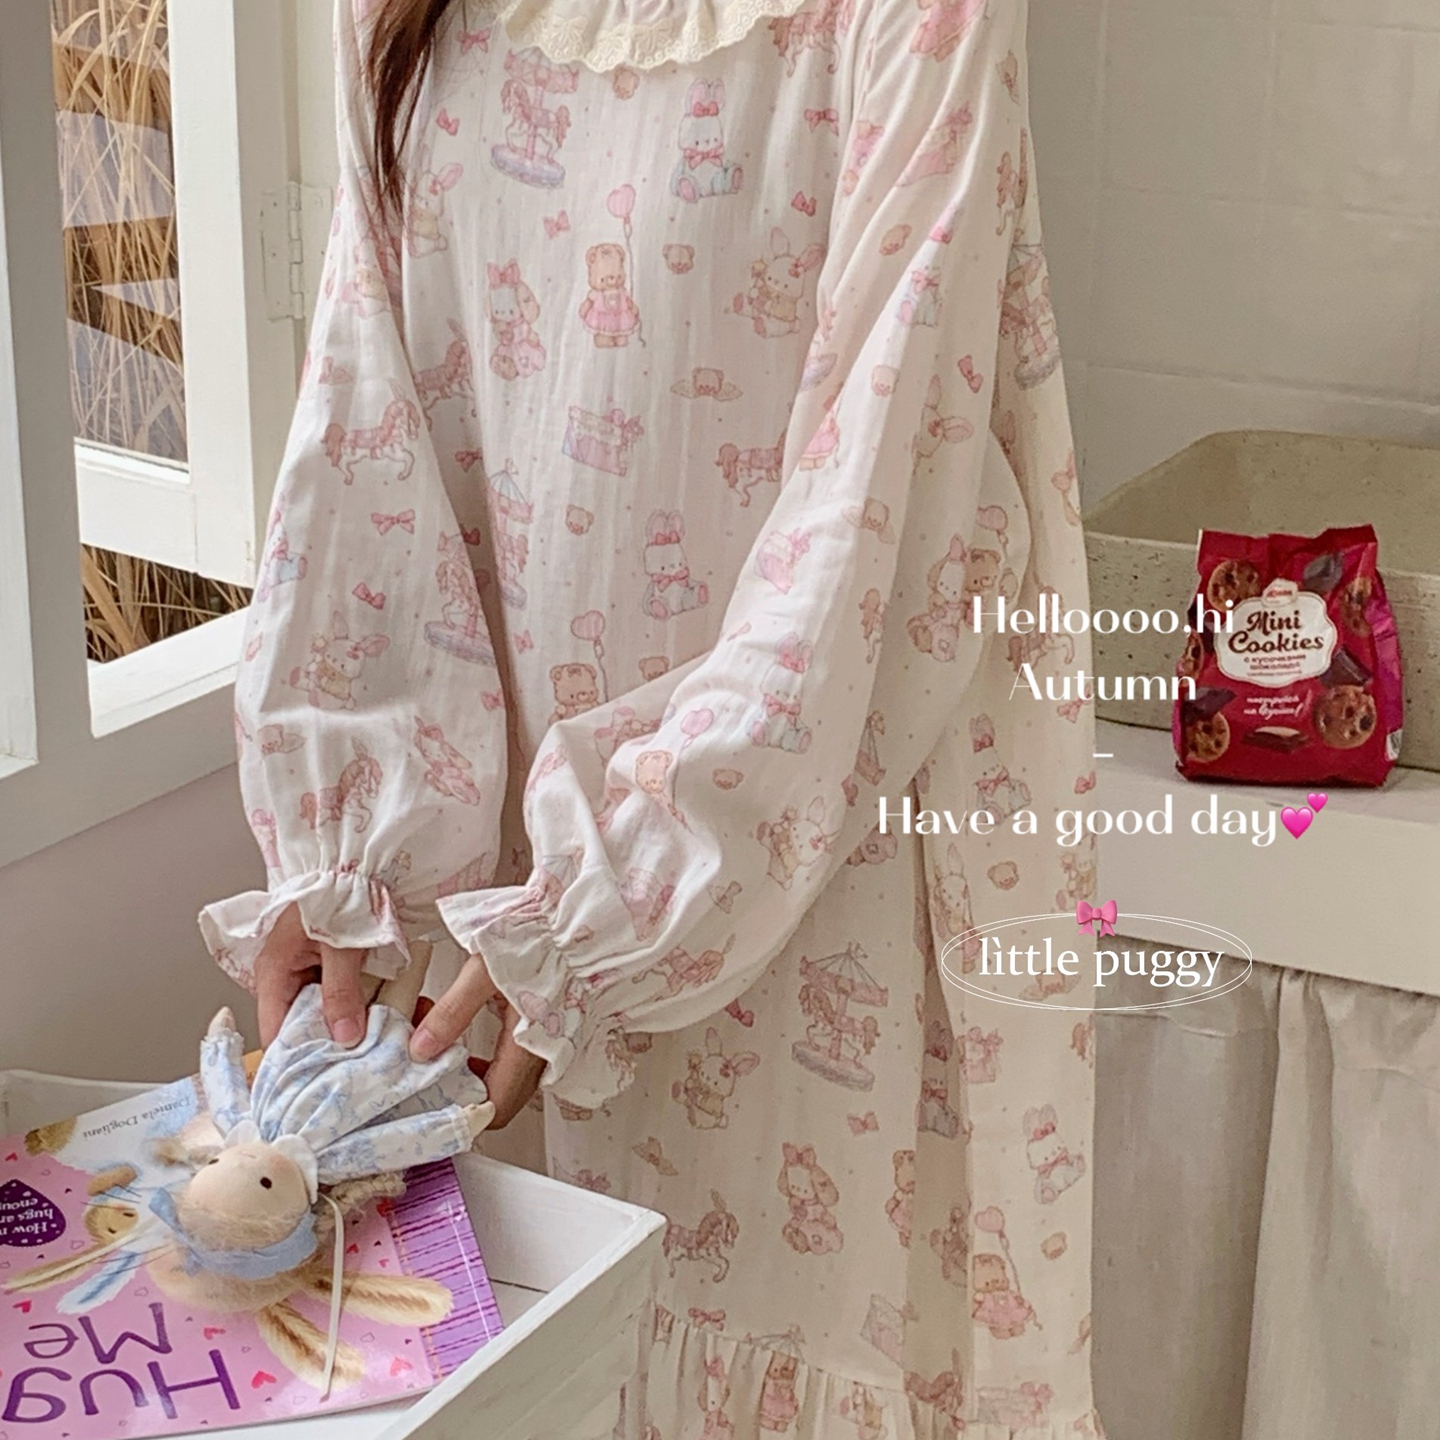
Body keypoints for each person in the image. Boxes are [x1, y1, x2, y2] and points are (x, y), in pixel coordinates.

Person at [201, 0, 1100, 1433]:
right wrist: (347, 856)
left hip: (810, 871)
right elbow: (366, 422)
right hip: (504, 935)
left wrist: (608, 904)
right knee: (540, 1354)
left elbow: (886, 502)